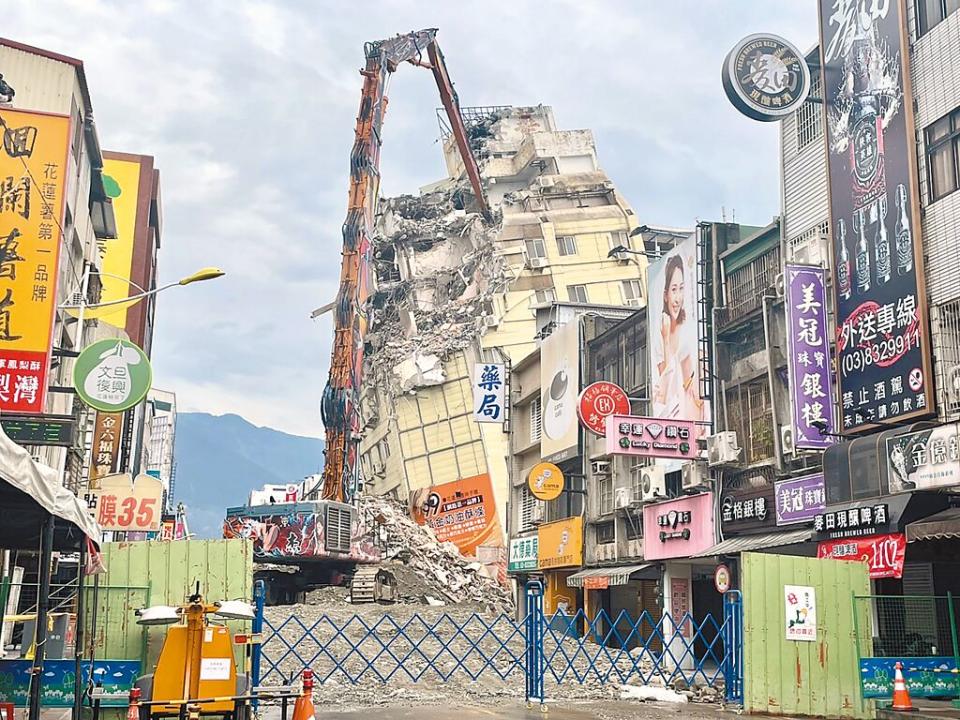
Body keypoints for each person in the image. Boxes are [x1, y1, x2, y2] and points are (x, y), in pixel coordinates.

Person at [653, 253, 703, 422]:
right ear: (666, 295)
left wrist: (698, 404)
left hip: (688, 406)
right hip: (670, 413)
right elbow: (665, 388)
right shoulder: (660, 334)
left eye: (681, 288)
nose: (678, 298)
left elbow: (691, 375)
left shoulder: (689, 326)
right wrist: (666, 339)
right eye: (674, 290)